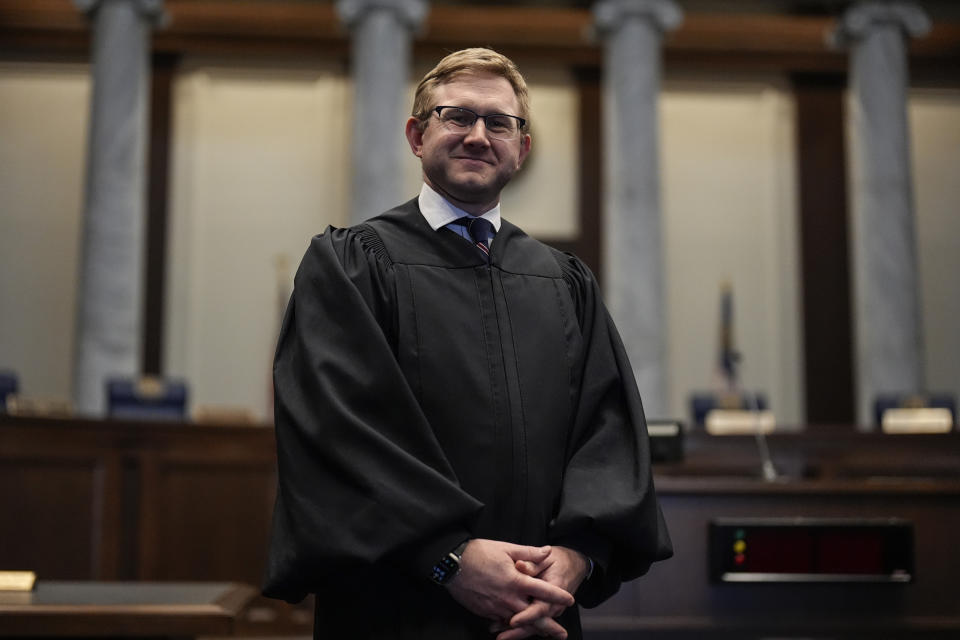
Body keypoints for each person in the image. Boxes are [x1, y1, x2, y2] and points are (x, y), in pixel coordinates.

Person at [263, 47, 672, 640]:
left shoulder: (563, 281)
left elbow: (606, 428)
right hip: (396, 607)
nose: (478, 136)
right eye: (457, 116)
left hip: (538, 612)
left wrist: (576, 556)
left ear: (521, 148)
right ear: (416, 134)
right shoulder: (351, 264)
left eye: (499, 122)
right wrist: (447, 557)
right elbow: (338, 430)